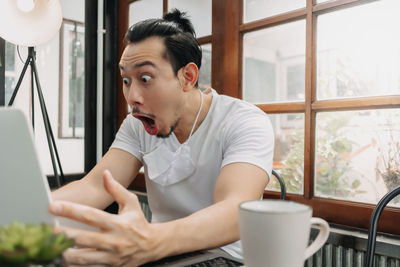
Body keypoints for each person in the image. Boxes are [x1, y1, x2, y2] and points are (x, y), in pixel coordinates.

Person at [50, 9, 274, 266]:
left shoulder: (243, 120)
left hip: (225, 256)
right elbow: (94, 187)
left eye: (145, 78)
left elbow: (236, 210)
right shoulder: (137, 124)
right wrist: (26, 209)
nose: (132, 96)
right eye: (126, 80)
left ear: (187, 77)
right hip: (160, 253)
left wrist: (151, 239)